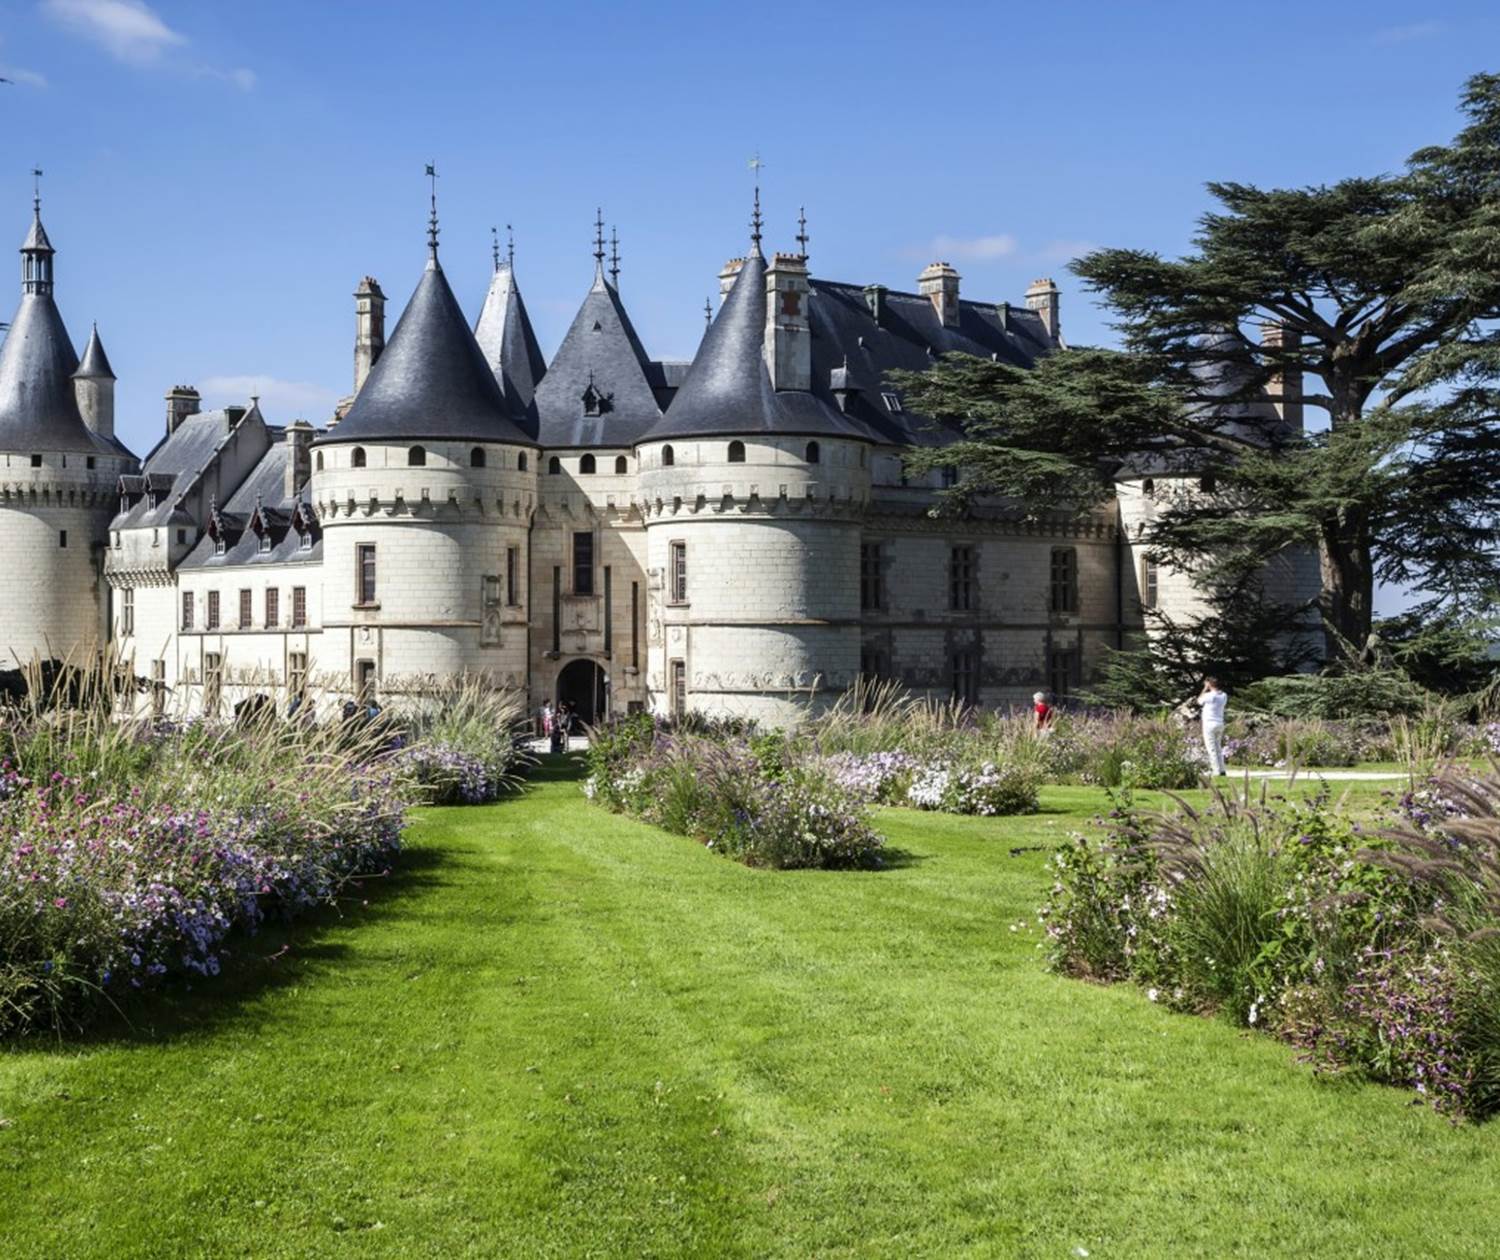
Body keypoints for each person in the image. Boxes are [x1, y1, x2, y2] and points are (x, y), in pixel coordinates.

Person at [1198, 676, 1228, 776]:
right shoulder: (1224, 695)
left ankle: (1216, 770)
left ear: (1210, 684)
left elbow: (1199, 701)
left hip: (1209, 724)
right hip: (1219, 722)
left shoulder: (1209, 695)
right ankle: (1222, 769)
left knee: (1211, 748)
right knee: (1218, 747)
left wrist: (1204, 689)